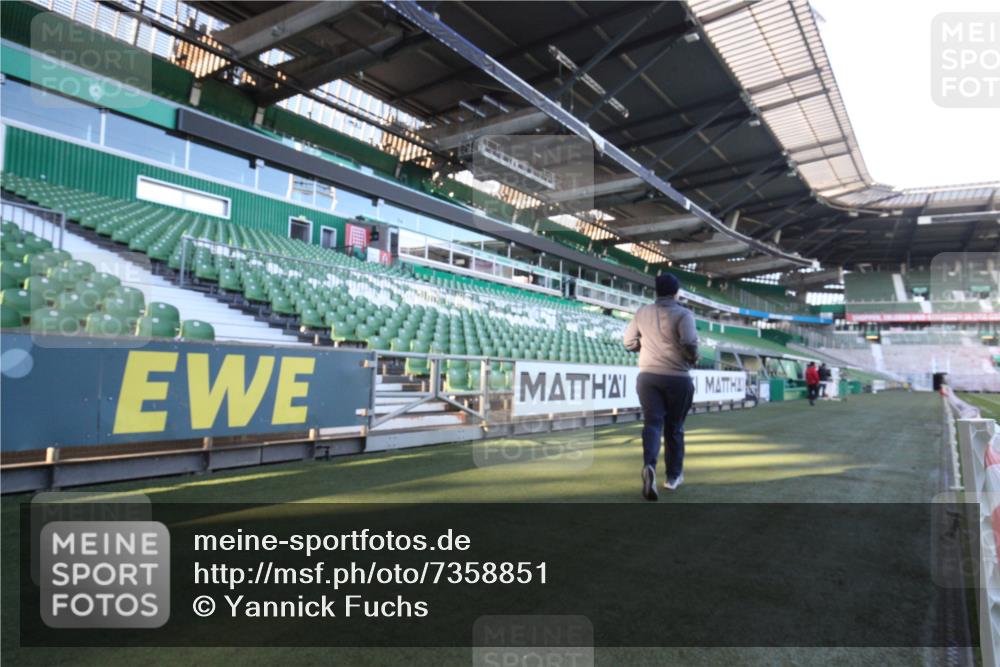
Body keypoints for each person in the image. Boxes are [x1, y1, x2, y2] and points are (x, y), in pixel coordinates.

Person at [623, 273, 698, 501]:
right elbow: (689, 343)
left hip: (648, 377)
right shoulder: (684, 313)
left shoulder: (642, 312)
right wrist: (692, 358)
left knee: (652, 423)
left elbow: (628, 342)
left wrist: (644, 347)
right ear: (676, 293)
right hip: (677, 378)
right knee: (674, 428)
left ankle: (649, 466)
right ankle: (673, 477)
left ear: (656, 291)